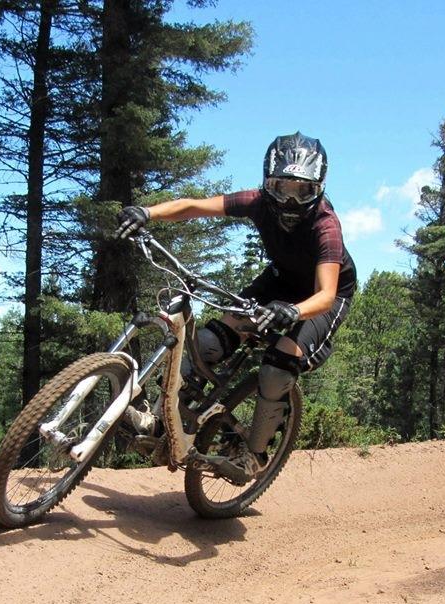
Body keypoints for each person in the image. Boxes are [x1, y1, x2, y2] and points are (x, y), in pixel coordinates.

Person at [116, 132, 356, 479]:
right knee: (209, 342)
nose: (290, 201)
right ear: (266, 183)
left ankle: (255, 456)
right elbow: (195, 206)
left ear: (318, 188)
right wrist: (147, 213)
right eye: (281, 187)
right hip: (280, 280)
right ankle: (160, 421)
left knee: (278, 365)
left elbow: (325, 294)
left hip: (323, 298)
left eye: (301, 190)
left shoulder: (325, 226)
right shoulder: (257, 202)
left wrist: (294, 312)